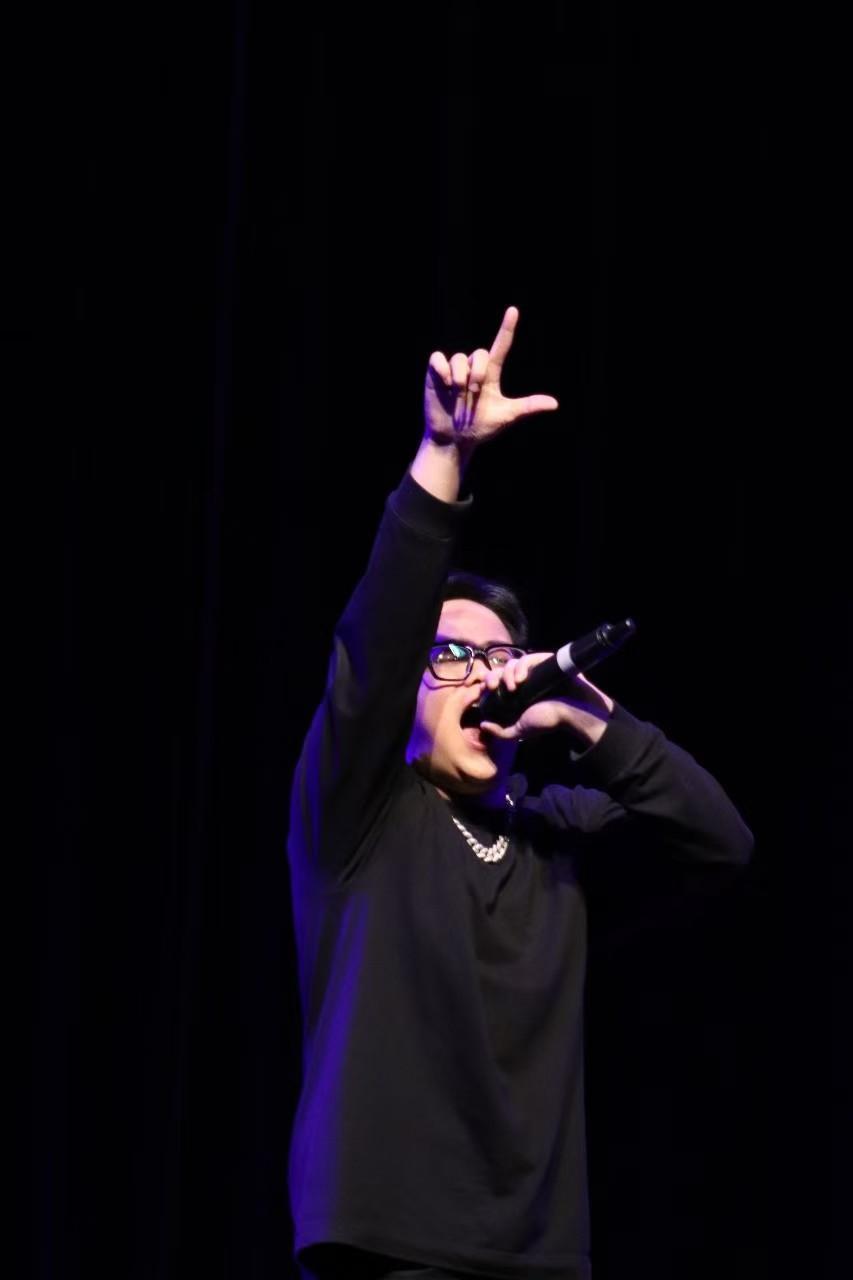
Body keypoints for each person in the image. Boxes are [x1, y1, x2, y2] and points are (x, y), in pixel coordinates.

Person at [286, 307, 753, 1280]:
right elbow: (375, 646)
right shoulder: (361, 814)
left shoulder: (553, 836)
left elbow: (719, 841)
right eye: (450, 656)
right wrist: (444, 455)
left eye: (498, 659)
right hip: (384, 1250)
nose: (482, 676)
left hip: (537, 1260)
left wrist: (584, 716)